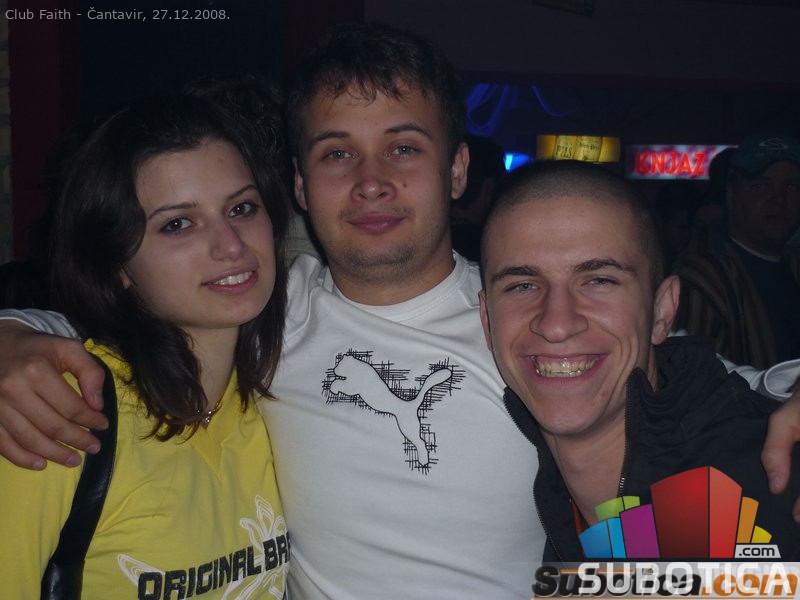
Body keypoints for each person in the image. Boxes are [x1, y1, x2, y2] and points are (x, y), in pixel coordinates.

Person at [1, 23, 800, 597]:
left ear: (457, 170)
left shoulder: (528, 322)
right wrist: (13, 336)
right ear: (300, 184)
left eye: (404, 148)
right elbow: (127, 316)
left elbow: (708, 379)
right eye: (337, 153)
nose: (372, 181)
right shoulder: (266, 312)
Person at [0, 94, 291, 597]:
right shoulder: (58, 413)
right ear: (117, 265)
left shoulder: (281, 398)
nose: (231, 245)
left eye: (241, 208)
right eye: (178, 224)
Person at [479, 160, 800, 560]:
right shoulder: (527, 500)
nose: (556, 324)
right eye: (523, 285)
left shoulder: (772, 482)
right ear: (487, 320)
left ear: (662, 312)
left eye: (599, 280)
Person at [674, 133, 800, 369]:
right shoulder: (700, 277)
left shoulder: (794, 266)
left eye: (792, 187)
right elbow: (684, 375)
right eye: (761, 186)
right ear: (731, 192)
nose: (779, 199)